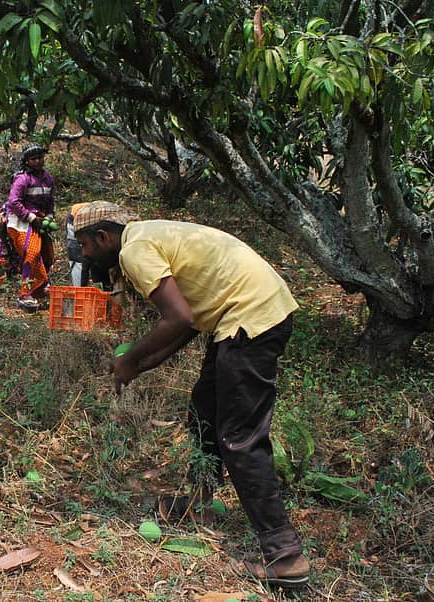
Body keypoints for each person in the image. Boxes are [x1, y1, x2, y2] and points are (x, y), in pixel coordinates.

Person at [73, 201, 309, 589]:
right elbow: (188, 325)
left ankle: (286, 556)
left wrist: (130, 358)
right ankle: (199, 503)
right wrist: (140, 365)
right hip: (244, 313)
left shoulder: (133, 250)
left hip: (249, 317)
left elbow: (178, 319)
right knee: (205, 408)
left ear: (102, 237)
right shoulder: (148, 235)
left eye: (84, 244)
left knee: (239, 436)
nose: (83, 253)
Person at [4, 142, 55, 312]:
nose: (38, 161)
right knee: (32, 254)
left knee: (47, 255)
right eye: (34, 159)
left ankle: (39, 290)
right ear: (27, 161)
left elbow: (50, 202)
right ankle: (25, 294)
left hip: (39, 222)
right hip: (20, 223)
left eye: (40, 157)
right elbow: (14, 202)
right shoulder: (22, 179)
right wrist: (31, 217)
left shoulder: (48, 178)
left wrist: (49, 217)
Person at [66, 202, 110, 290]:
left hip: (96, 223)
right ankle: (79, 291)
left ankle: (107, 288)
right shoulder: (81, 215)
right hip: (76, 217)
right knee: (79, 260)